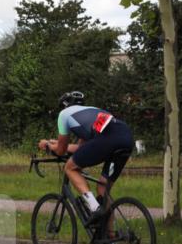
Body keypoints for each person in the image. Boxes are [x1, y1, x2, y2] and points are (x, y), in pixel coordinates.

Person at [38, 91, 135, 223]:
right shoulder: (94, 111)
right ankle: (109, 240)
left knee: (70, 167)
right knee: (103, 189)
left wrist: (48, 145)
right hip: (125, 137)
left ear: (64, 105)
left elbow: (61, 151)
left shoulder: (64, 114)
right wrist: (56, 143)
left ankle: (94, 208)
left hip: (107, 139)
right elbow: (82, 148)